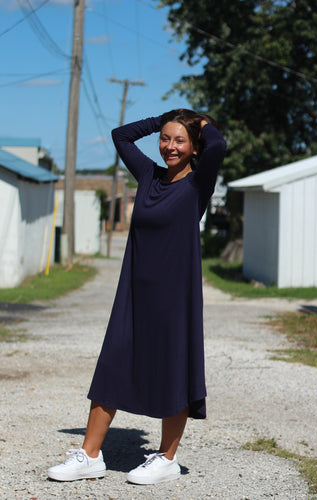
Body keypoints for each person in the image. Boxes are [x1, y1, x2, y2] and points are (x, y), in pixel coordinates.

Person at [48, 109, 226, 485]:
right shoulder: (148, 176)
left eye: (180, 140)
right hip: (133, 292)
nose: (169, 146)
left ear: (194, 147)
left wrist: (202, 124)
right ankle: (90, 456)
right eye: (165, 138)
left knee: (173, 370)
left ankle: (166, 458)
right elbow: (120, 136)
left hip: (175, 298)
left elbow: (219, 145)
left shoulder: (199, 184)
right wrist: (164, 117)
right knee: (113, 364)